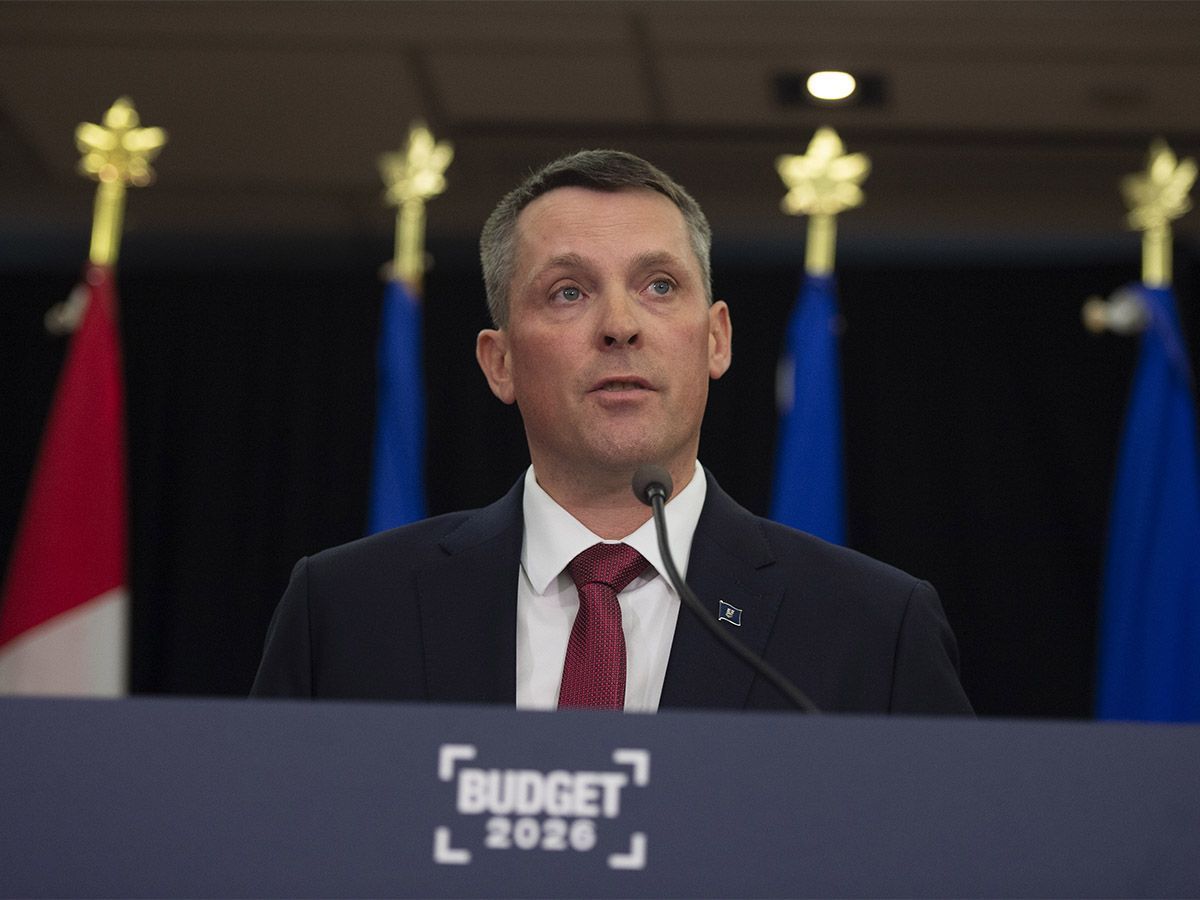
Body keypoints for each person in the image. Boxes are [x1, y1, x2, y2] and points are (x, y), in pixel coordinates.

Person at [251, 150, 972, 714]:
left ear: (716, 341)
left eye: (659, 285)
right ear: (498, 363)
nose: (621, 324)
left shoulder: (871, 626)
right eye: (569, 291)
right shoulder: (345, 609)